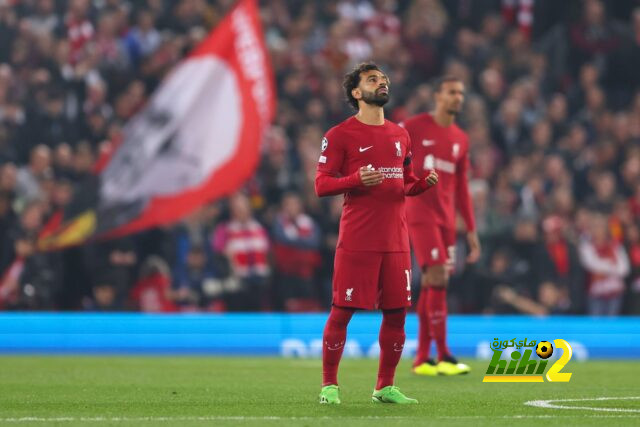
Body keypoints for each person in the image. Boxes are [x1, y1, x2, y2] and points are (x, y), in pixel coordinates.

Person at [315, 62, 438, 405]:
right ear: (356, 92)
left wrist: (421, 186)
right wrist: (355, 179)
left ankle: (384, 386)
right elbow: (321, 185)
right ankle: (329, 387)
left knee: (397, 313)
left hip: (396, 242)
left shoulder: (401, 135)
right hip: (358, 240)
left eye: (384, 80)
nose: (382, 84)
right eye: (372, 80)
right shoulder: (339, 135)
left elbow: (404, 183)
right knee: (342, 310)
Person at [401, 76, 480, 376]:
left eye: (461, 93)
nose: (457, 97)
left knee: (436, 284)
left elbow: (462, 187)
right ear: (437, 95)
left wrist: (470, 229)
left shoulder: (461, 138)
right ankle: (444, 354)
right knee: (436, 277)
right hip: (420, 211)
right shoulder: (413, 126)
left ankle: (422, 358)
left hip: (447, 219)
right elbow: (392, 152)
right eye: (451, 92)